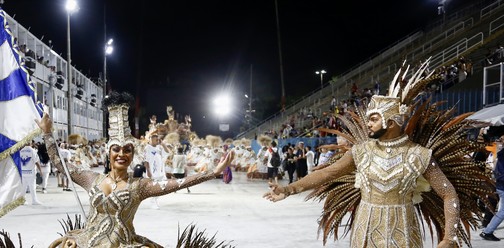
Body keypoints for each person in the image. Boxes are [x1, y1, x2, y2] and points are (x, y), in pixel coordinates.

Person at [263, 63, 494, 247]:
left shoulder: (419, 155)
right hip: (365, 232)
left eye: (373, 118)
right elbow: (327, 174)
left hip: (403, 234)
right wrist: (288, 189)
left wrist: (450, 236)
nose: (368, 123)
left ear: (391, 121)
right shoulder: (362, 151)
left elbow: (448, 193)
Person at [42, 91, 234, 247]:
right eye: (116, 149)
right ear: (109, 153)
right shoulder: (92, 179)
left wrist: (212, 173)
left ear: (132, 155)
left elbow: (176, 183)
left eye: (127, 150)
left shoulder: (139, 186)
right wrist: (47, 133)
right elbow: (59, 163)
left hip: (123, 244)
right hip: (86, 242)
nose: (121, 154)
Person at [481, 135, 504, 241]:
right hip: (501, 186)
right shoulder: (501, 155)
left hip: (499, 185)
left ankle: (487, 230)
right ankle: (487, 231)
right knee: (502, 211)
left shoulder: (499, 154)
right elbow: (499, 174)